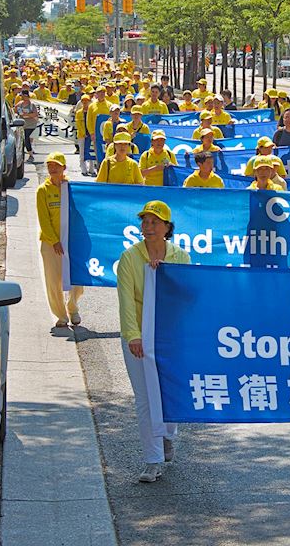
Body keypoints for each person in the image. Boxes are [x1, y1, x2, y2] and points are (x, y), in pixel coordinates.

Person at [118, 200, 189, 483]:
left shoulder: (180, 257)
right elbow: (126, 300)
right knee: (145, 398)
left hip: (170, 338)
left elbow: (186, 295)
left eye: (155, 222)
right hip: (139, 337)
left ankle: (167, 435)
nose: (148, 227)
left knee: (168, 392)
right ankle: (152, 459)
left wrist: (166, 275)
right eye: (145, 222)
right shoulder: (129, 258)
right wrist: (134, 335)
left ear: (167, 228)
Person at [36, 152, 83, 328]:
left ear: (64, 167)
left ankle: (73, 307)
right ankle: (61, 315)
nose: (52, 169)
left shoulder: (71, 188)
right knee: (53, 280)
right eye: (50, 165)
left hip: (72, 241)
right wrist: (55, 240)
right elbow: (43, 219)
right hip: (51, 243)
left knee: (76, 279)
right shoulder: (43, 190)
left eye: (56, 165)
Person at [16, 87, 41, 161]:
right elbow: (15, 110)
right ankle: (23, 154)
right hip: (22, 125)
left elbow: (35, 114)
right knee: (22, 139)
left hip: (31, 125)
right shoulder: (20, 104)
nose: (23, 97)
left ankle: (31, 155)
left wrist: (26, 114)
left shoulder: (32, 105)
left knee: (26, 138)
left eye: (24, 96)